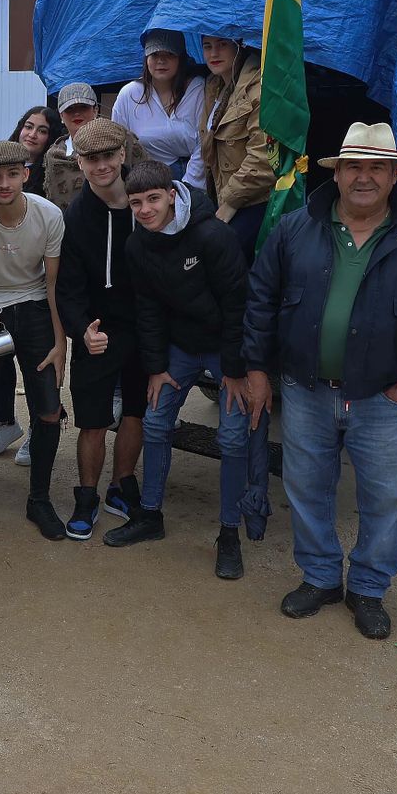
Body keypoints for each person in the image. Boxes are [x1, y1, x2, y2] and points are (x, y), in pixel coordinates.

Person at [242, 123, 397, 638]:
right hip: (306, 390)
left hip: (384, 395)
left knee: (384, 497)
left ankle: (369, 589)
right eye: (354, 166)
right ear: (336, 174)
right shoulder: (294, 228)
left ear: (395, 176)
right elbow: (261, 301)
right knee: (308, 489)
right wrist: (258, 371)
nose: (364, 177)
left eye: (377, 167)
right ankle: (320, 578)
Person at [110, 161, 269, 580]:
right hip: (180, 345)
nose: (144, 210)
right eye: (136, 202)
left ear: (172, 194)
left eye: (153, 199)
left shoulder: (213, 234)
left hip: (225, 347)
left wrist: (236, 371)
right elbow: (147, 309)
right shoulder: (136, 245)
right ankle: (150, 514)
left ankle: (229, 532)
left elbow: (239, 305)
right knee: (156, 420)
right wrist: (156, 368)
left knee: (233, 438)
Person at [0, 140, 68, 541]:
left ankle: (39, 498)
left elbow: (54, 283)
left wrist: (61, 343)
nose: (4, 183)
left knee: (49, 408)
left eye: (13, 174)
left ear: (26, 173)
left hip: (35, 306)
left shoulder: (48, 215)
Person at [54, 119, 148, 538]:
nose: (102, 165)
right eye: (92, 158)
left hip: (145, 327)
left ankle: (121, 486)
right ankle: (86, 495)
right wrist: (81, 331)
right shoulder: (75, 216)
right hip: (98, 330)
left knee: (135, 411)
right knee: (91, 420)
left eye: (109, 155)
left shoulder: (147, 198)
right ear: (79, 161)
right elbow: (67, 287)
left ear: (123, 154)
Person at [197, 36, 271, 262]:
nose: (213, 53)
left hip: (254, 202)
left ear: (239, 47)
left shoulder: (260, 88)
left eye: (222, 45)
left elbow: (264, 157)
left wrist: (229, 204)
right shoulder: (214, 86)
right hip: (221, 196)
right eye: (207, 47)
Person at [112, 29, 209, 189]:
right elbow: (117, 142)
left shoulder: (197, 89)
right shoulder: (129, 94)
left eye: (169, 54)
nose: (161, 61)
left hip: (194, 178)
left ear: (181, 58)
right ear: (146, 58)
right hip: (145, 181)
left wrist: (188, 187)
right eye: (155, 54)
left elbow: (204, 142)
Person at [44, 82, 149, 210]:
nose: (77, 113)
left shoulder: (122, 139)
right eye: (69, 109)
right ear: (61, 115)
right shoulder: (54, 155)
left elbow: (147, 177)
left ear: (95, 110)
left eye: (83, 107)